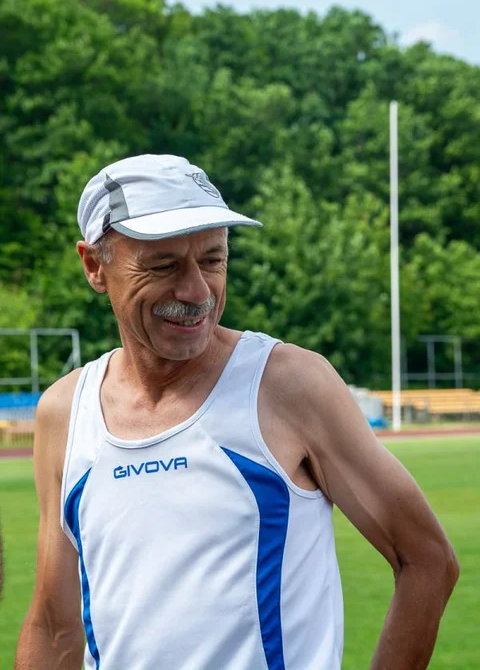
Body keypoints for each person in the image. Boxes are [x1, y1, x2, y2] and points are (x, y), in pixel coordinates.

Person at [16, 154, 459, 670]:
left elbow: (426, 560)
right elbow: (53, 622)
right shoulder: (65, 411)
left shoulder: (288, 385)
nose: (197, 291)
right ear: (94, 266)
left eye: (212, 259)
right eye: (163, 265)